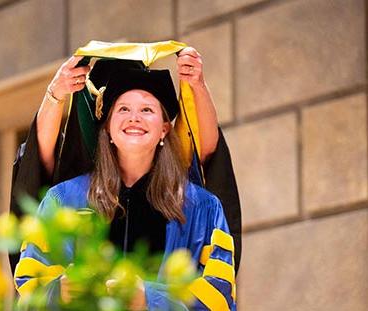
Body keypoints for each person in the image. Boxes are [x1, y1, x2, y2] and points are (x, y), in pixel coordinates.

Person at [13, 45, 237, 310]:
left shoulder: (202, 207)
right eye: (123, 110)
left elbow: (220, 297)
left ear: (164, 129)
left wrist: (149, 299)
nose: (134, 119)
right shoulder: (63, 200)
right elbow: (27, 292)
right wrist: (57, 292)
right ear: (107, 127)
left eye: (147, 110)